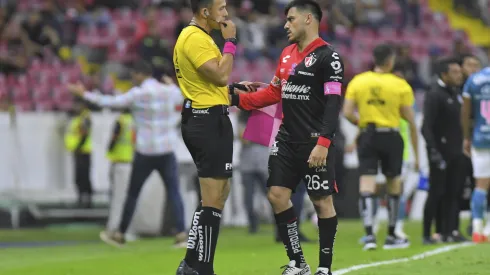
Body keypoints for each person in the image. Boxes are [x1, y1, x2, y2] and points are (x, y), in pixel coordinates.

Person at [230, 1, 344, 274]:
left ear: (308, 19)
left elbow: (333, 104)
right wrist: (235, 98)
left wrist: (323, 143)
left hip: (315, 142)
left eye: (290, 19)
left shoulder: (330, 57)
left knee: (321, 202)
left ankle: (324, 268)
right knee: (277, 195)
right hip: (286, 139)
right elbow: (272, 93)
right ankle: (298, 261)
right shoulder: (286, 54)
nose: (285, 25)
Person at [67, 61, 187, 248]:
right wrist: (171, 84)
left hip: (145, 151)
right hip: (166, 149)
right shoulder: (169, 92)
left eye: (134, 75)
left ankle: (120, 234)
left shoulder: (138, 94)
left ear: (141, 74)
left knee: (133, 194)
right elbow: (185, 95)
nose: (133, 79)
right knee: (173, 192)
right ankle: (181, 234)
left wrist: (85, 94)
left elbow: (111, 102)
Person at [172, 1, 244, 275]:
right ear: (205, 12)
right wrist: (231, 42)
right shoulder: (193, 37)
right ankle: (202, 267)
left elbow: (215, 83)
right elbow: (220, 75)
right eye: (221, 8)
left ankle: (191, 263)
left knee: (218, 193)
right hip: (205, 120)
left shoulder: (199, 37)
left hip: (210, 116)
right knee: (213, 196)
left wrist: (235, 90)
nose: (226, 14)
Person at [342, 44, 419, 251]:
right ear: (390, 61)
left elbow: (347, 112)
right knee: (393, 182)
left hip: (368, 135)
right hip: (391, 136)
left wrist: (363, 125)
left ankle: (369, 236)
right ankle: (392, 234)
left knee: (366, 182)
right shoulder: (399, 84)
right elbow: (409, 119)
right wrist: (418, 153)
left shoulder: (358, 81)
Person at [421, 57, 466, 244]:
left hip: (457, 152)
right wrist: (433, 151)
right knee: (436, 193)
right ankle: (426, 234)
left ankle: (449, 231)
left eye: (459, 72)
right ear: (444, 74)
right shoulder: (435, 94)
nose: (459, 75)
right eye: (455, 72)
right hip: (440, 152)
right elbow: (426, 126)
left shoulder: (456, 93)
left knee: (454, 193)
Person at [461, 66, 490, 243]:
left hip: (479, 136)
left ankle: (477, 229)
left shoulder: (474, 80)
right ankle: (489, 230)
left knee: (480, 185)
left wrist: (466, 136)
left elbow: (465, 111)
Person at [105, 108, 137, 241]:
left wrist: (110, 151)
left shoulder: (120, 121)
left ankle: (113, 227)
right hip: (126, 163)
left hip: (118, 161)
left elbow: (113, 140)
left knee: (117, 197)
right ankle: (120, 229)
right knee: (123, 198)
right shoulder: (133, 122)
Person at [64, 99, 93, 208]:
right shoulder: (78, 117)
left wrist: (78, 147)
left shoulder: (85, 117)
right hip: (78, 151)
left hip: (83, 151)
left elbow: (85, 134)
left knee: (84, 175)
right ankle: (81, 198)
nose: (75, 107)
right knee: (79, 177)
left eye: (77, 105)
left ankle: (87, 199)